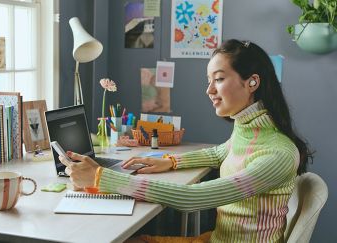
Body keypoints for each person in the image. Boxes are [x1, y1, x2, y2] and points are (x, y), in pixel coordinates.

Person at [59, 39, 312, 242]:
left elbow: (192, 199)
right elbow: (219, 153)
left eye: (219, 79)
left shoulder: (278, 153)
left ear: (252, 82)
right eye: (209, 80)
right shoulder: (249, 130)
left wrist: (100, 177)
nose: (209, 90)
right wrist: (169, 161)